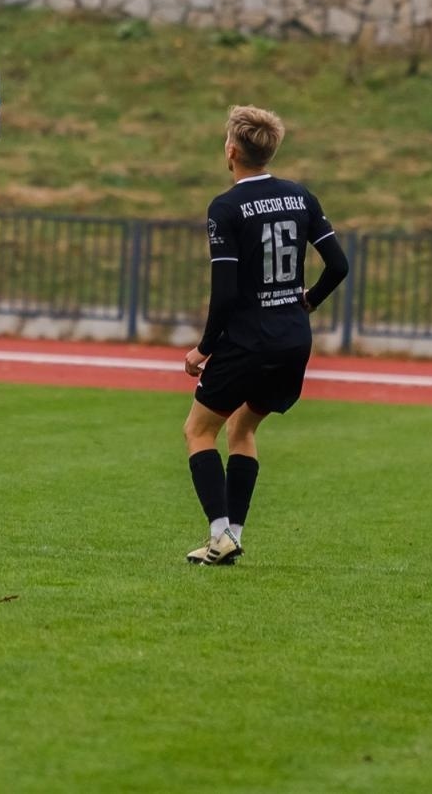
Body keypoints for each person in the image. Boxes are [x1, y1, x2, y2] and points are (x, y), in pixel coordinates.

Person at [180, 105, 350, 566]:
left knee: (198, 431)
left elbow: (226, 291)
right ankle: (231, 537)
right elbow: (339, 266)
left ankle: (219, 532)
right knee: (244, 428)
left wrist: (204, 349)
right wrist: (308, 301)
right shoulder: (300, 196)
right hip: (294, 338)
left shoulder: (226, 207)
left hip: (248, 340)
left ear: (232, 151)